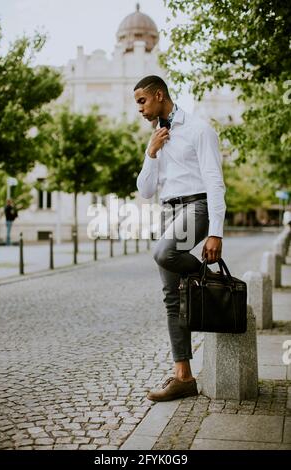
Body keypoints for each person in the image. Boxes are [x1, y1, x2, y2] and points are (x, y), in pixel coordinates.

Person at [135, 76, 226, 401]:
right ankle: (183, 376)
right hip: (168, 211)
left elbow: (215, 181)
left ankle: (209, 280)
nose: (140, 109)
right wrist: (151, 152)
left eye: (142, 101)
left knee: (163, 252)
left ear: (159, 95)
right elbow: (145, 190)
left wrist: (215, 231)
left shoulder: (199, 129)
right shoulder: (157, 137)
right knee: (172, 298)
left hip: (197, 205)